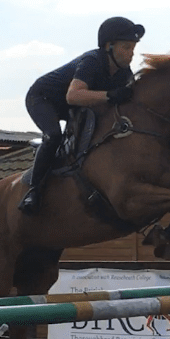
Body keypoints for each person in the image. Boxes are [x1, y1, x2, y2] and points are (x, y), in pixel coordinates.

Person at [18, 16, 145, 214]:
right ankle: (33, 191)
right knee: (54, 136)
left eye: (133, 49)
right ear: (109, 46)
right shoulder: (92, 61)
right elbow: (73, 95)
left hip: (73, 107)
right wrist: (110, 95)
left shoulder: (123, 73)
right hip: (43, 99)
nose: (131, 54)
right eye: (126, 47)